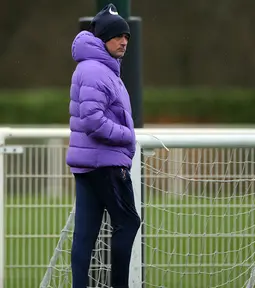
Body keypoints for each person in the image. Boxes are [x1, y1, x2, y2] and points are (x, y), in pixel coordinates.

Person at [66, 3, 141, 288]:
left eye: (127, 36)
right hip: (105, 163)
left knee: (85, 235)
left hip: (90, 164)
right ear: (103, 38)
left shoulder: (95, 68)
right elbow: (93, 121)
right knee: (129, 222)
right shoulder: (97, 71)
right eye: (118, 35)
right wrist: (127, 135)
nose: (124, 41)